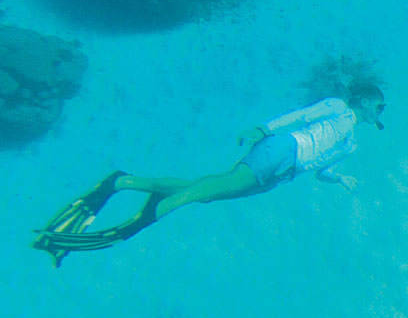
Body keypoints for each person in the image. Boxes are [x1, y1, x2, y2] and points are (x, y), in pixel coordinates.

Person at [32, 82, 386, 266]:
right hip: (282, 148)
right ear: (367, 101)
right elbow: (300, 114)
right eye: (379, 105)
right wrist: (263, 129)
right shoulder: (338, 107)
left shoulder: (351, 144)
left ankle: (123, 182)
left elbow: (322, 172)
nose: (380, 111)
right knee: (212, 188)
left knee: (214, 191)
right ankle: (154, 213)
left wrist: (340, 180)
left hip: (287, 172)